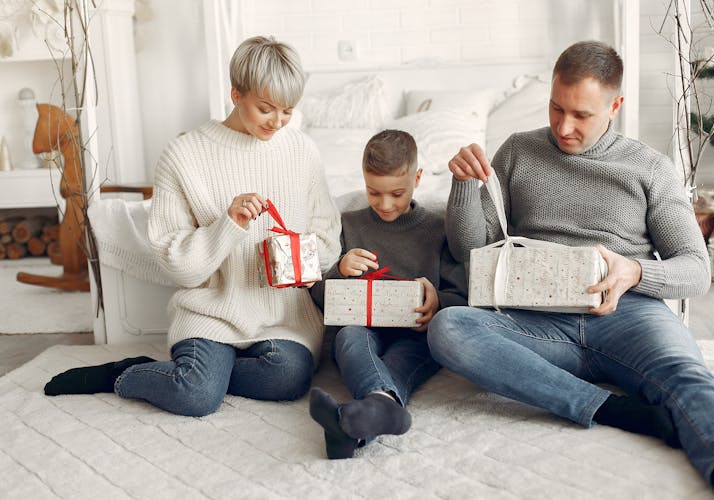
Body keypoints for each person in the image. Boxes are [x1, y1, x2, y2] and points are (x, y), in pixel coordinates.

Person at [427, 41, 714, 499]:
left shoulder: (649, 169)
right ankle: (604, 408)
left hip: (629, 317)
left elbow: (696, 269)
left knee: (686, 372)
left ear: (615, 106)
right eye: (556, 108)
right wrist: (463, 188)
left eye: (581, 115)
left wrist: (635, 273)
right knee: (449, 328)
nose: (563, 126)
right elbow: (470, 253)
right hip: (537, 321)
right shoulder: (518, 151)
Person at [44, 36, 342, 417]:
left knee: (287, 379)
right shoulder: (184, 155)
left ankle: (197, 375)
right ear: (235, 92)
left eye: (287, 111)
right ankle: (125, 374)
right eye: (266, 108)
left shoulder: (301, 150)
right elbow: (175, 262)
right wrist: (228, 225)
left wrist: (300, 259)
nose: (277, 122)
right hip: (210, 313)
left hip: (283, 318)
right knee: (195, 397)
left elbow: (328, 235)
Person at [308, 129, 467, 459]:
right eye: (373, 193)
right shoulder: (347, 225)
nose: (385, 204)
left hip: (415, 336)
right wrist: (339, 269)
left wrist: (438, 301)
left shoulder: (438, 228)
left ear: (418, 177)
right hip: (361, 327)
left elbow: (462, 297)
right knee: (348, 338)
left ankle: (354, 429)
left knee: (399, 365)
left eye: (397, 193)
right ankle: (384, 409)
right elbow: (320, 299)